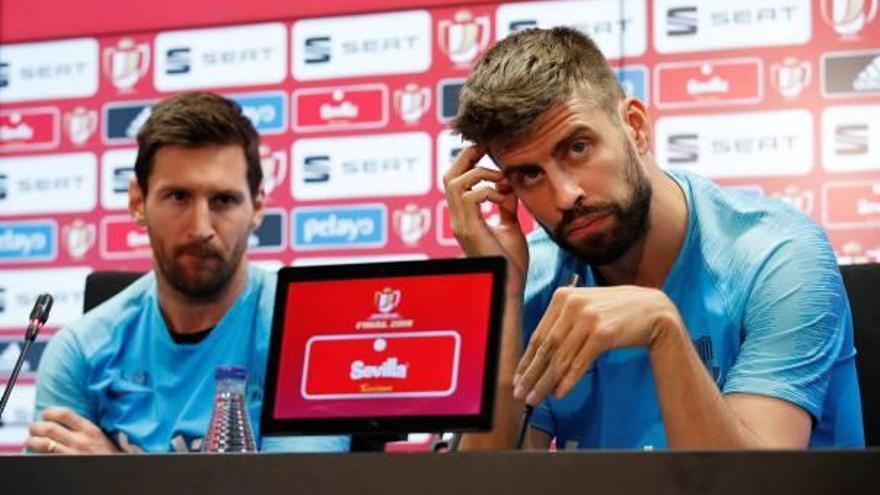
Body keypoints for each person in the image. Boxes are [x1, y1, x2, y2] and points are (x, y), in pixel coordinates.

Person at [444, 27, 864, 450]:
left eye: (577, 148)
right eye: (530, 175)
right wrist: (503, 302)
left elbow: (752, 484)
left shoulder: (778, 256)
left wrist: (663, 329)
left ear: (636, 127)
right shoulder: (535, 279)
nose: (565, 196)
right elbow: (487, 482)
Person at [26, 93, 349, 454]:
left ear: (257, 207)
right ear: (137, 202)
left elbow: (302, 488)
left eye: (223, 200)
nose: (200, 227)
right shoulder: (81, 351)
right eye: (178, 197)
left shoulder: (304, 338)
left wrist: (116, 475)